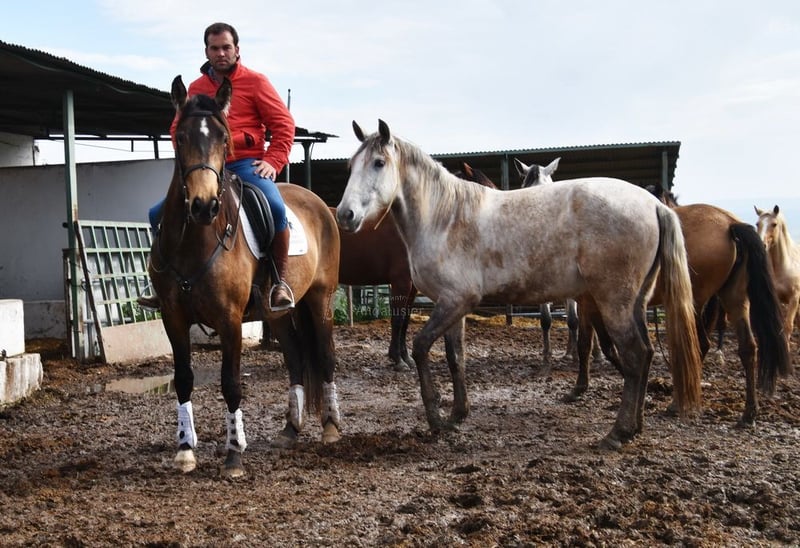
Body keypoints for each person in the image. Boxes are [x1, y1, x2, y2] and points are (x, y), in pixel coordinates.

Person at [140, 22, 296, 312]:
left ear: (237, 49)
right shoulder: (196, 89)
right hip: (206, 167)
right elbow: (177, 128)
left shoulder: (256, 82)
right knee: (156, 214)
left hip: (246, 163)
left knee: (276, 209)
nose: (221, 53)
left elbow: (284, 124)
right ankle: (163, 286)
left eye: (226, 47)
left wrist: (273, 161)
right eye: (215, 48)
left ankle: (279, 282)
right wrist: (191, 156)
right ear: (206, 51)